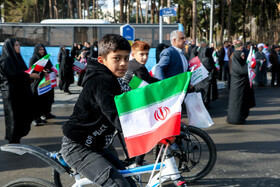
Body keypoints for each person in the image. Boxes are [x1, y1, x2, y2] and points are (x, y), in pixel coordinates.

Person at [60, 34, 137, 187]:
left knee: (130, 182)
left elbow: (135, 103)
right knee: (119, 185)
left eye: (126, 58)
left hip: (97, 145)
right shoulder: (101, 81)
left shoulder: (115, 79)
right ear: (102, 60)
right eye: (117, 58)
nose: (123, 63)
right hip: (78, 147)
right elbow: (115, 114)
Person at [0, 38, 40, 143]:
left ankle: (16, 138)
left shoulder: (17, 59)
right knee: (13, 118)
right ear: (10, 47)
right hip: (11, 94)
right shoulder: (6, 60)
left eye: (19, 45)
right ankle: (13, 140)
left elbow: (22, 73)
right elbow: (13, 75)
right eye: (16, 45)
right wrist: (29, 76)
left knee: (22, 116)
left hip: (20, 92)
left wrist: (30, 77)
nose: (19, 47)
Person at [227, 41, 255, 124]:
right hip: (237, 88)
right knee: (237, 104)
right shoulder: (235, 60)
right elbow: (242, 71)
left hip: (240, 88)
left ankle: (240, 117)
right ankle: (236, 119)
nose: (243, 57)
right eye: (242, 55)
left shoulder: (237, 60)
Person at [29, 44, 56, 125]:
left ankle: (42, 115)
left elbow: (50, 68)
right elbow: (31, 71)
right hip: (37, 84)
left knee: (45, 101)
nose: (42, 51)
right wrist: (41, 71)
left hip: (46, 84)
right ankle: (34, 119)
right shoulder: (33, 59)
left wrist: (48, 71)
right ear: (37, 50)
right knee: (36, 101)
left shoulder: (46, 58)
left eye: (43, 49)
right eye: (40, 50)